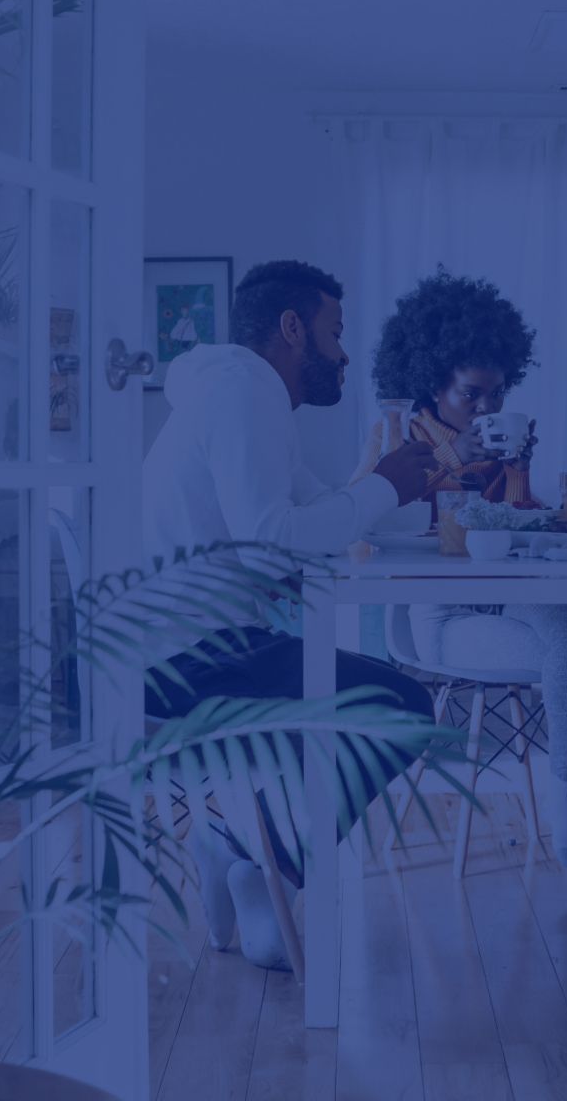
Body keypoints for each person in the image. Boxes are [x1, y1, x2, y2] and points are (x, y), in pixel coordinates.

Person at [142, 259, 438, 969]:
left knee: (368, 699)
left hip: (181, 646)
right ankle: (254, 858)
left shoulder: (237, 392)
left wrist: (394, 492)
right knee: (401, 706)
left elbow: (312, 516)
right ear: (292, 328)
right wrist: (386, 487)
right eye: (335, 333)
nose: (342, 355)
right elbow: (277, 538)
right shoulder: (246, 393)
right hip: (173, 664)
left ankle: (246, 851)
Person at [354, 268, 567, 872]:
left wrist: (522, 480)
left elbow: (510, 530)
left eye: (497, 394)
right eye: (471, 394)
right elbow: (373, 519)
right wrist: (456, 457)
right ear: (432, 383)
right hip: (442, 614)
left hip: (508, 594)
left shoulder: (499, 440)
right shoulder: (397, 436)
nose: (487, 407)